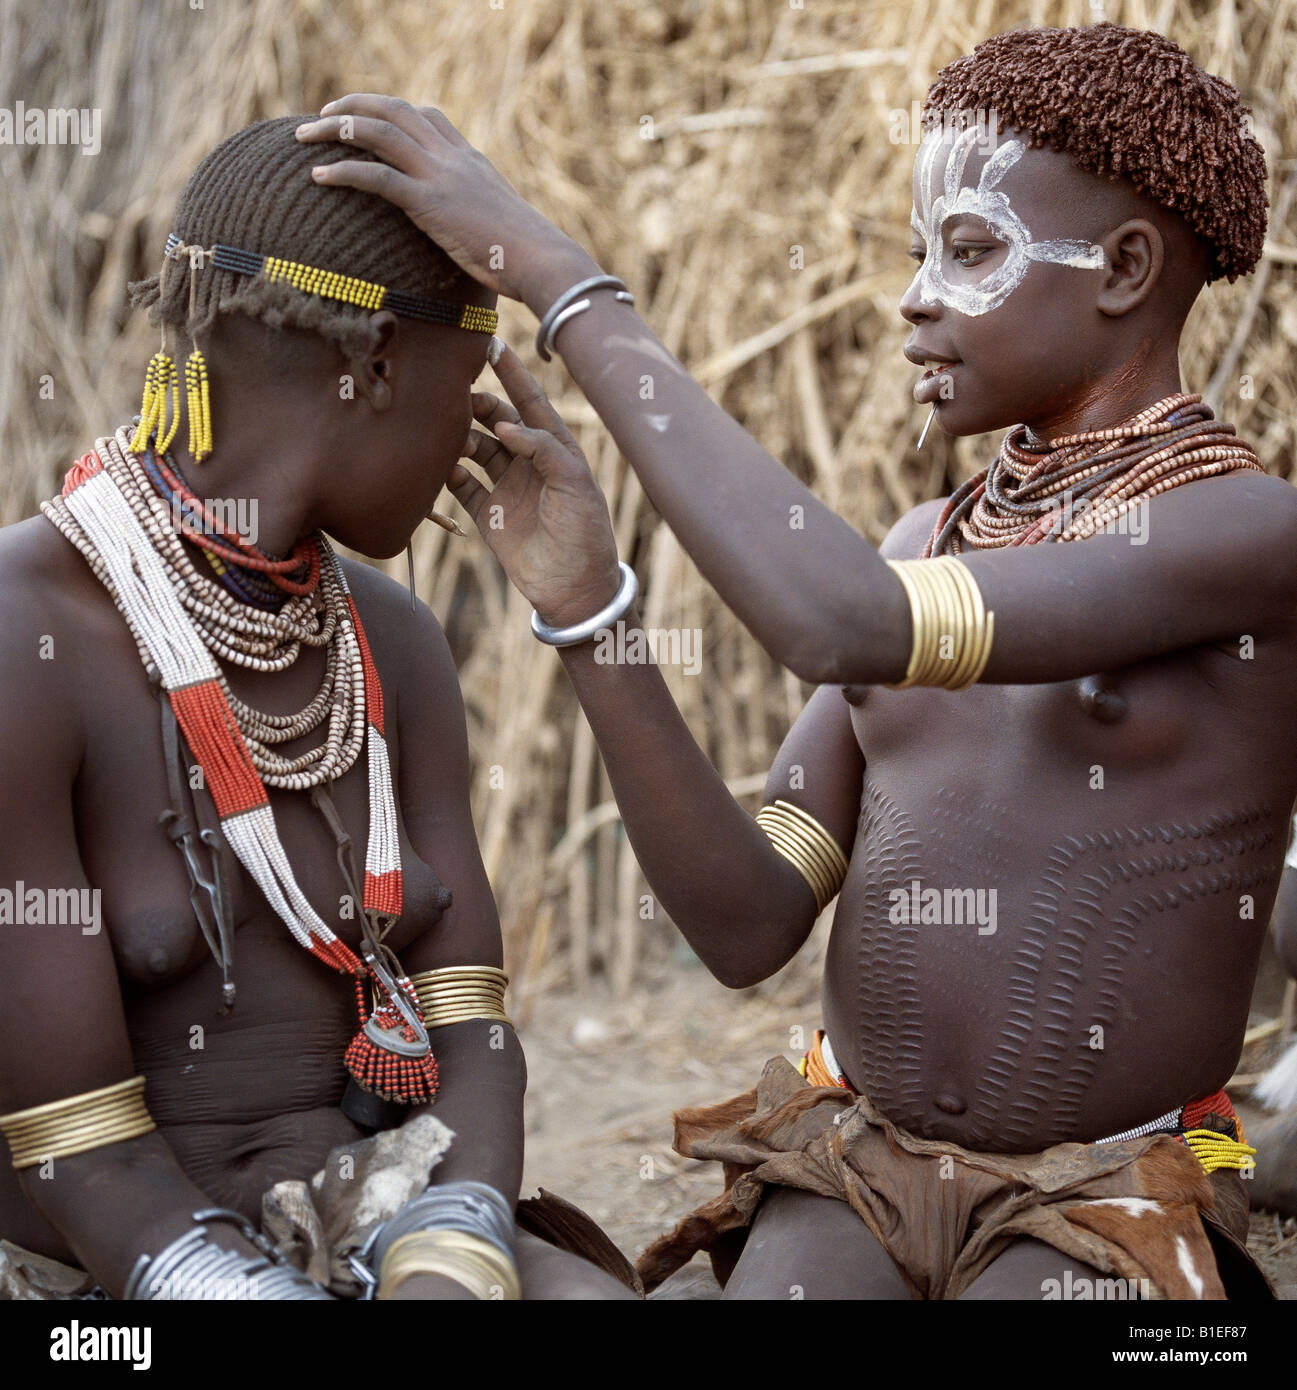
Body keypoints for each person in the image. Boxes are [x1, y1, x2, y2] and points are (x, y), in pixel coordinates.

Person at [294, 19, 1297, 1299]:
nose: (915, 294)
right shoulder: (926, 540)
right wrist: (589, 608)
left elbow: (842, 622)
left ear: (1123, 269)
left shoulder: (1239, 534)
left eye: (972, 248)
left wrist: (562, 281)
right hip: (862, 1167)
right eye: (918, 249)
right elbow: (747, 917)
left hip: (1103, 1191)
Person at [0, 115, 637, 1301]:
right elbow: (71, 1145)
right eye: (473, 374)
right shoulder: (26, 636)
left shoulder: (389, 639)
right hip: (106, 1277)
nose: (478, 433)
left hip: (384, 1216)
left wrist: (449, 1249)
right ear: (382, 361)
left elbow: (470, 1035)